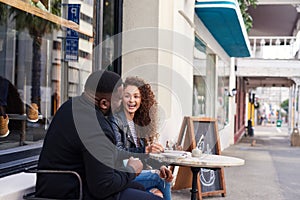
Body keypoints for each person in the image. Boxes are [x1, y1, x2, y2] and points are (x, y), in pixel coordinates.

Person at [36, 70, 163, 200]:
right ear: (104, 103)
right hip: (72, 192)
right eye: (119, 99)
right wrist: (131, 170)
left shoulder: (70, 106)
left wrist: (140, 153)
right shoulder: (98, 126)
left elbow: (108, 152)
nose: (120, 104)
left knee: (138, 188)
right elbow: (104, 186)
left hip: (54, 186)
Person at [109, 76, 173, 200]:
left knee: (161, 179)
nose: (131, 100)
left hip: (138, 173)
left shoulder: (139, 123)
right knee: (159, 178)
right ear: (122, 98)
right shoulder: (116, 121)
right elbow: (119, 151)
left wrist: (160, 167)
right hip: (123, 173)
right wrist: (145, 150)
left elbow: (144, 157)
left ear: (142, 99)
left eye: (136, 96)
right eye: (127, 96)